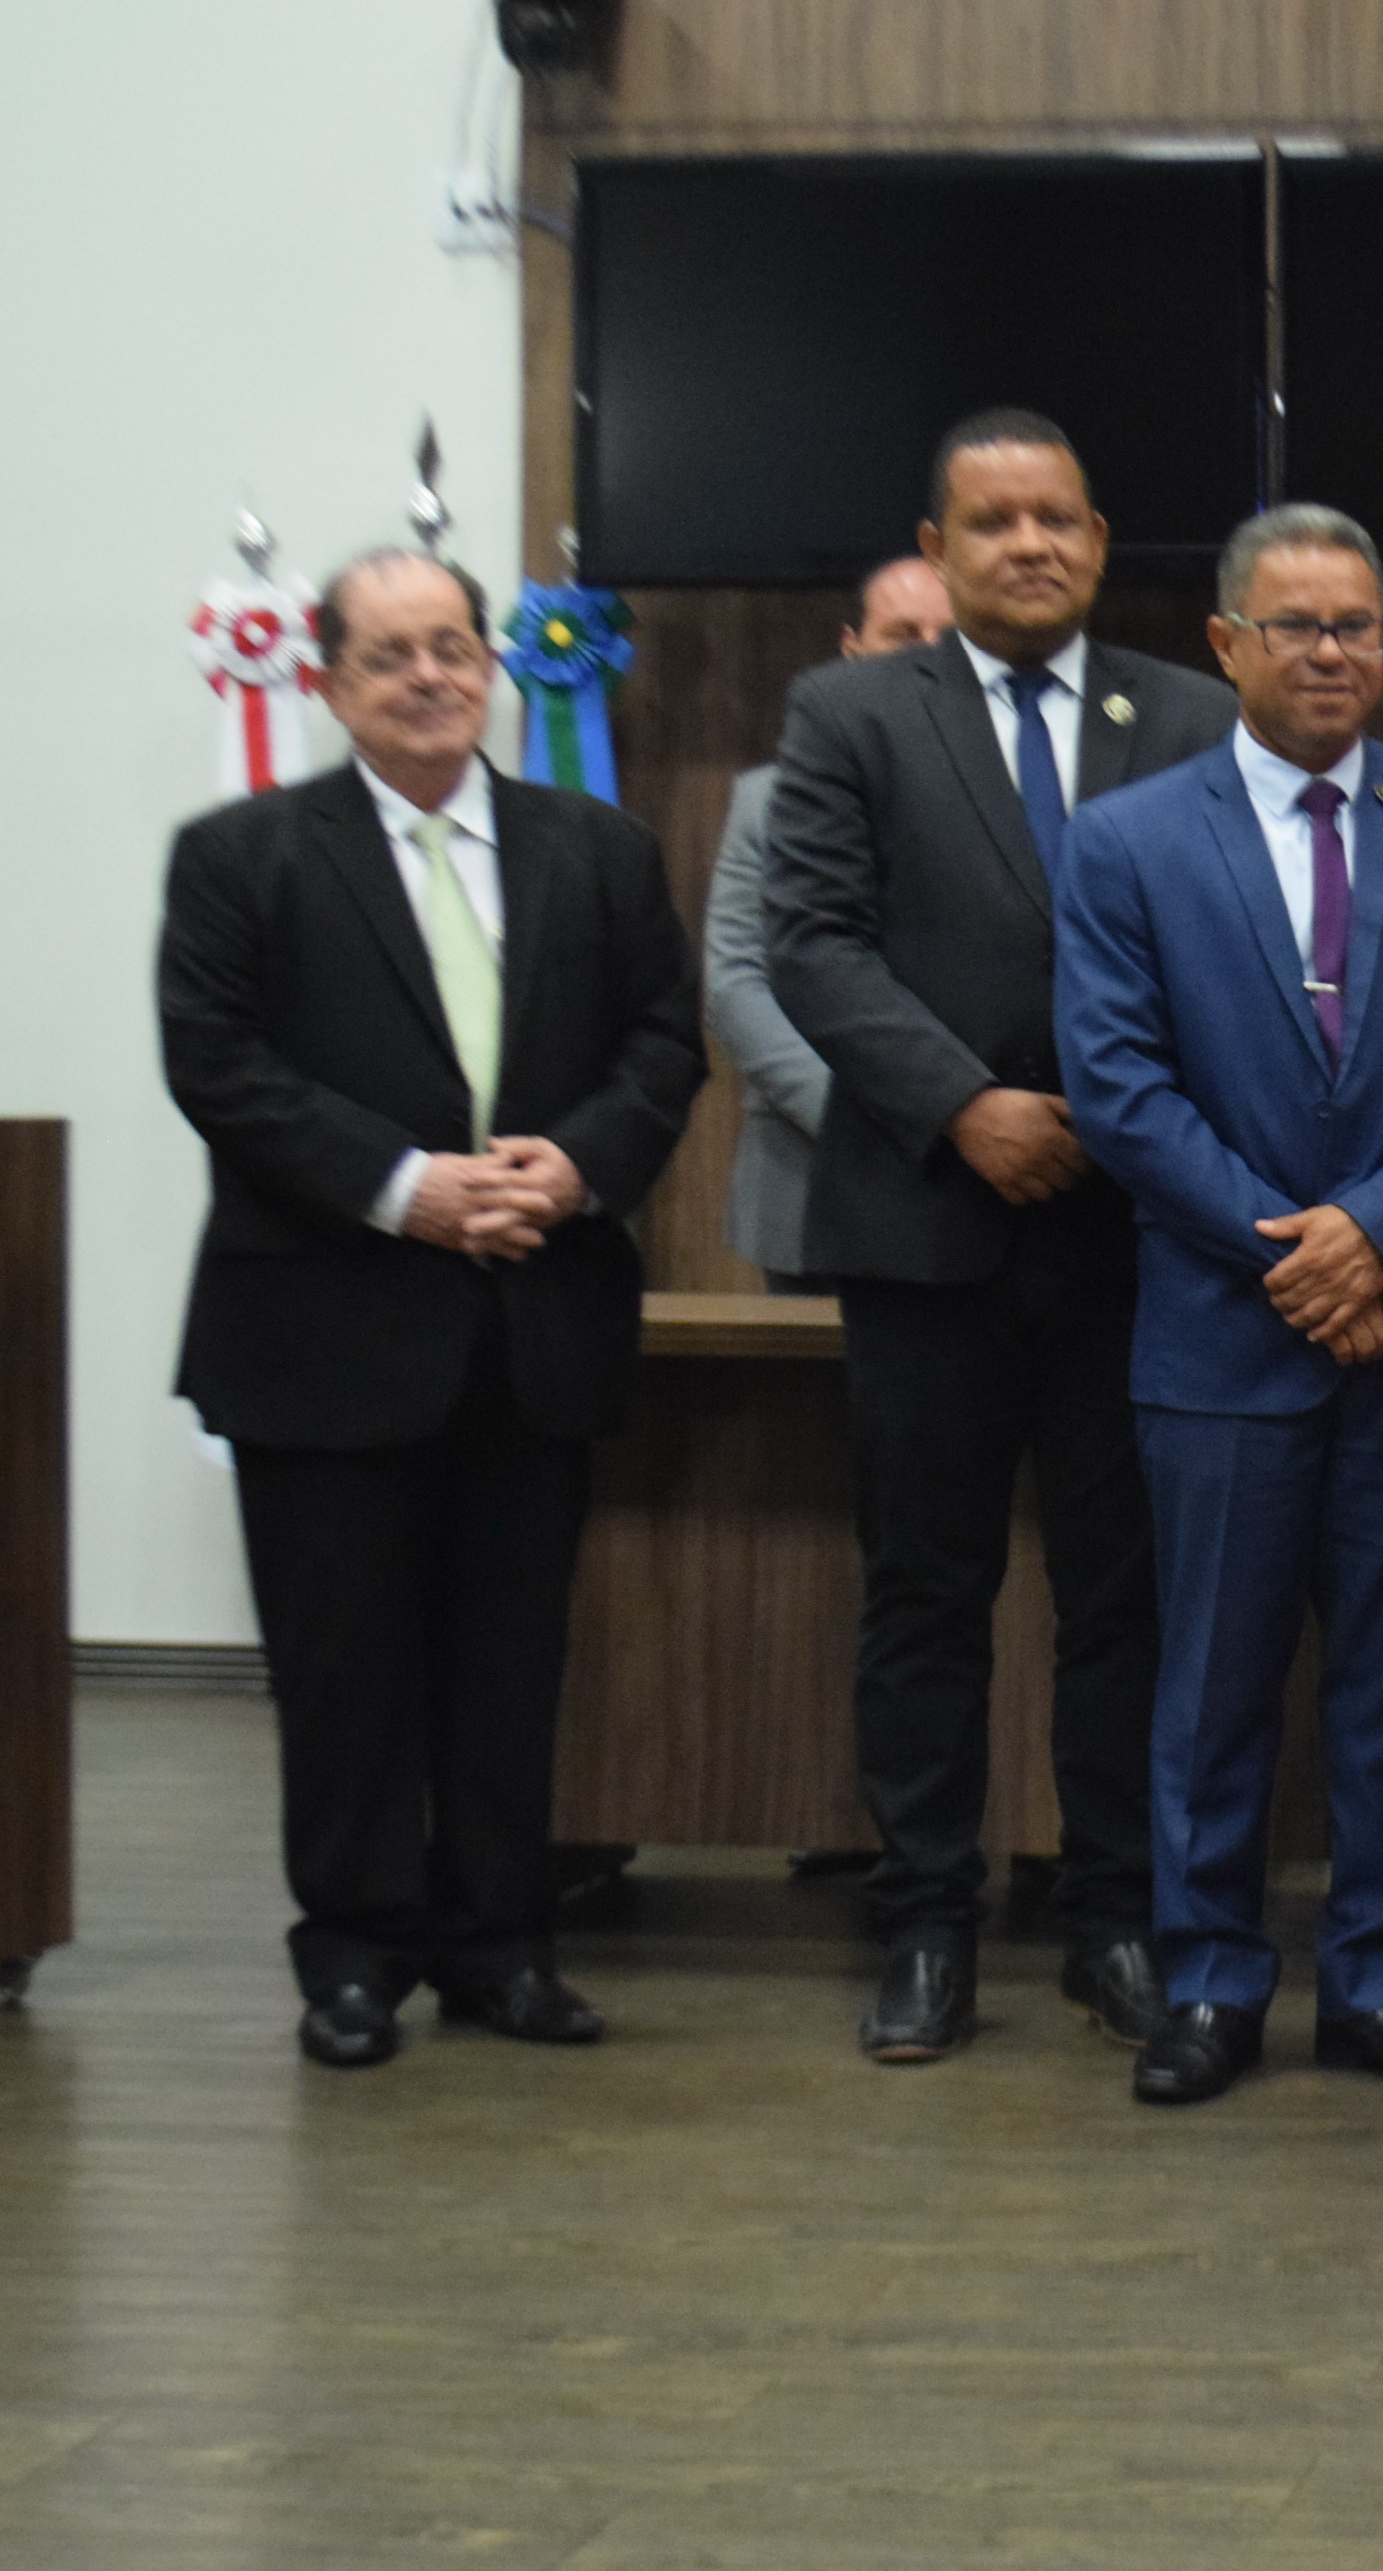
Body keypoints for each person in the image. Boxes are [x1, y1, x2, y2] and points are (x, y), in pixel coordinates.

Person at [157, 549, 705, 2066]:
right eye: (390, 654)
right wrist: (406, 1188)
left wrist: (578, 1166)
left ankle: (500, 1949)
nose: (429, 677)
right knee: (341, 1670)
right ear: (330, 682)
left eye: (453, 647)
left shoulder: (597, 849)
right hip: (321, 1334)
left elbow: (665, 1043)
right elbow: (218, 1064)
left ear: (489, 665)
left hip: (534, 1324)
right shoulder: (241, 854)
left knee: (507, 1667)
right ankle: (352, 1957)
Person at [765, 410, 1239, 2064]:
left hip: (1135, 1234)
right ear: (940, 546)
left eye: (1056, 519)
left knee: (1126, 1602)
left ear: (1099, 542)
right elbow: (810, 943)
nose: (1027, 544)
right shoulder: (849, 712)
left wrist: (1133, 1124)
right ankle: (922, 1924)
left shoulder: (1189, 715)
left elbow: (1231, 948)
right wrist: (964, 1104)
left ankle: (1114, 1918)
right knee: (924, 1594)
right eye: (992, 521)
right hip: (927, 1226)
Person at [1051, 505, 1383, 2110]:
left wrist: (1379, 1236)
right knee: (1212, 1693)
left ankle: (1381, 1980)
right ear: (1225, 643)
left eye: (1357, 626)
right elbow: (1117, 1090)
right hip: (1220, 1343)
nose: (1332, 654)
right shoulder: (1125, 840)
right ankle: (1210, 1982)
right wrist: (1300, 1260)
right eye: (1298, 626)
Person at [702, 556, 950, 1288]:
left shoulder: (1033, 793)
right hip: (809, 1181)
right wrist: (864, 1124)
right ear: (853, 648)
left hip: (989, 1184)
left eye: (948, 637)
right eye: (902, 633)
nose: (926, 654)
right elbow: (736, 983)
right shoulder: (767, 800)